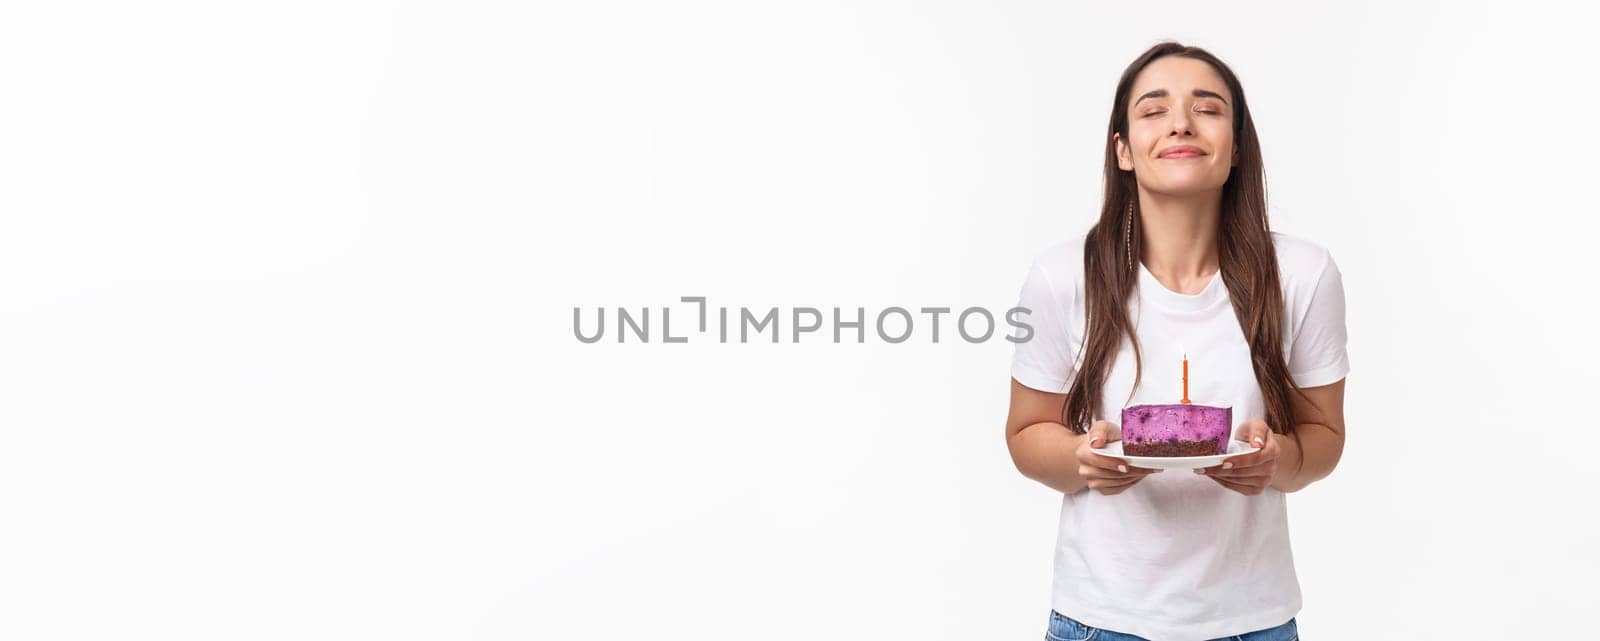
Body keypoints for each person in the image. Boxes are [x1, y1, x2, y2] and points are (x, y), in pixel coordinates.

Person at [1005, 41, 1348, 641]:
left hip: (1254, 620)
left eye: (1208, 108)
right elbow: (1026, 433)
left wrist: (1275, 463)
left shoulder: (1302, 274)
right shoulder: (1063, 275)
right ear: (1123, 150)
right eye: (1153, 109)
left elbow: (1324, 439)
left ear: (1237, 146)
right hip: (1100, 620)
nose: (1181, 123)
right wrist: (1083, 461)